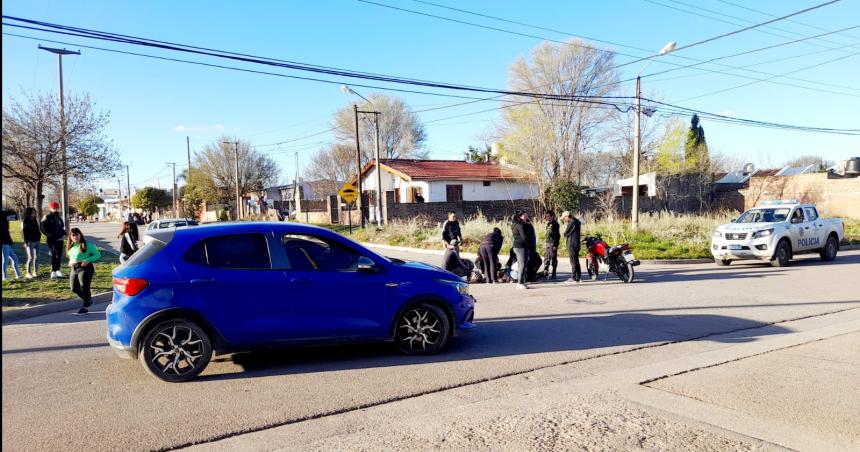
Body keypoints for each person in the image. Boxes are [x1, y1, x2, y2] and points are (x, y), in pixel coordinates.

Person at [67, 227, 101, 315]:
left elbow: (97, 254)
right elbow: (72, 256)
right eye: (73, 236)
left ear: (80, 235)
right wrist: (70, 261)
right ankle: (88, 300)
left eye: (77, 235)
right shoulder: (71, 245)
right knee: (74, 288)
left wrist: (87, 260)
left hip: (85, 268)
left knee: (84, 287)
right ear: (70, 237)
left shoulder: (87, 245)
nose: (75, 237)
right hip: (74, 268)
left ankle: (85, 307)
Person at [40, 201, 66, 279]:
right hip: (52, 239)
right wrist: (48, 234)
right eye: (54, 208)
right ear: (50, 208)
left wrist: (64, 233)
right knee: (54, 255)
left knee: (59, 255)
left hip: (60, 239)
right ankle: (53, 271)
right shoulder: (47, 216)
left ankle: (58, 270)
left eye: (56, 208)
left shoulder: (59, 216)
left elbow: (61, 226)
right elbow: (42, 227)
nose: (55, 209)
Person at [511, 211, 536, 289]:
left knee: (522, 264)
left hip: (516, 246)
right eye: (524, 216)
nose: (526, 217)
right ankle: (520, 283)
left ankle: (522, 281)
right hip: (521, 246)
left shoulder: (514, 224)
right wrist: (529, 245)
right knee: (522, 265)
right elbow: (524, 237)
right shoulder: (520, 225)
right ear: (520, 217)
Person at [2, 212, 23, 281]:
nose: (10, 218)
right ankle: (5, 277)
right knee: (5, 260)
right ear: (4, 217)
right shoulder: (2, 224)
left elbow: (7, 234)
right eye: (8, 216)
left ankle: (18, 275)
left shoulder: (6, 223)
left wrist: (10, 241)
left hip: (7, 244)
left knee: (15, 258)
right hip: (3, 244)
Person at [562, 211, 582, 283]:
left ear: (567, 216)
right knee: (576, 260)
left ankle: (573, 277)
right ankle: (578, 277)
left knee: (573, 261)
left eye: (564, 218)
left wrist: (565, 233)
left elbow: (566, 233)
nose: (564, 220)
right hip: (576, 243)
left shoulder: (571, 223)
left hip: (572, 244)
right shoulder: (577, 221)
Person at [21, 207, 42, 278]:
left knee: (37, 257)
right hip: (30, 242)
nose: (34, 214)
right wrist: (26, 242)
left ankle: (35, 272)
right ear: (29, 213)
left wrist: (39, 236)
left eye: (34, 212)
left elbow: (37, 229)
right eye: (33, 213)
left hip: (37, 241)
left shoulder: (35, 220)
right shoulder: (25, 221)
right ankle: (28, 273)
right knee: (30, 258)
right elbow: (24, 232)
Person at [542, 210, 561, 279]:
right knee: (546, 257)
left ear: (552, 216)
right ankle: (546, 271)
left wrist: (555, 245)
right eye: (546, 216)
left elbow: (557, 235)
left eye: (548, 216)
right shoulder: (548, 224)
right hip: (548, 242)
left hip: (553, 243)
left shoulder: (555, 224)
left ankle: (554, 272)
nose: (546, 217)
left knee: (553, 258)